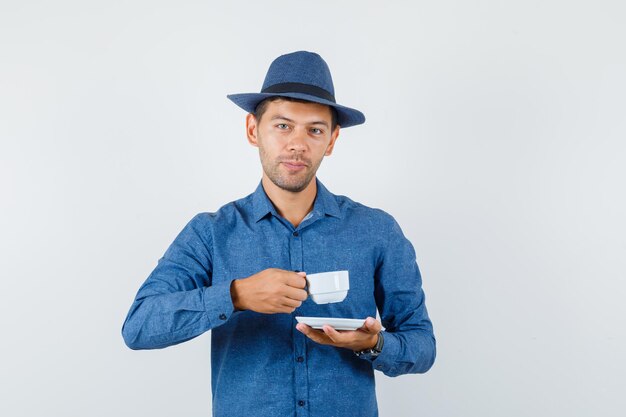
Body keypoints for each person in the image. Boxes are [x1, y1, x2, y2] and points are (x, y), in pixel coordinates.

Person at [122, 50, 436, 417]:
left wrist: (375, 343)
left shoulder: (376, 231)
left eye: (315, 130)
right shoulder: (210, 233)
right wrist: (236, 295)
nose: (297, 145)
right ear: (253, 130)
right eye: (283, 125)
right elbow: (140, 326)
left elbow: (421, 345)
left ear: (332, 140)